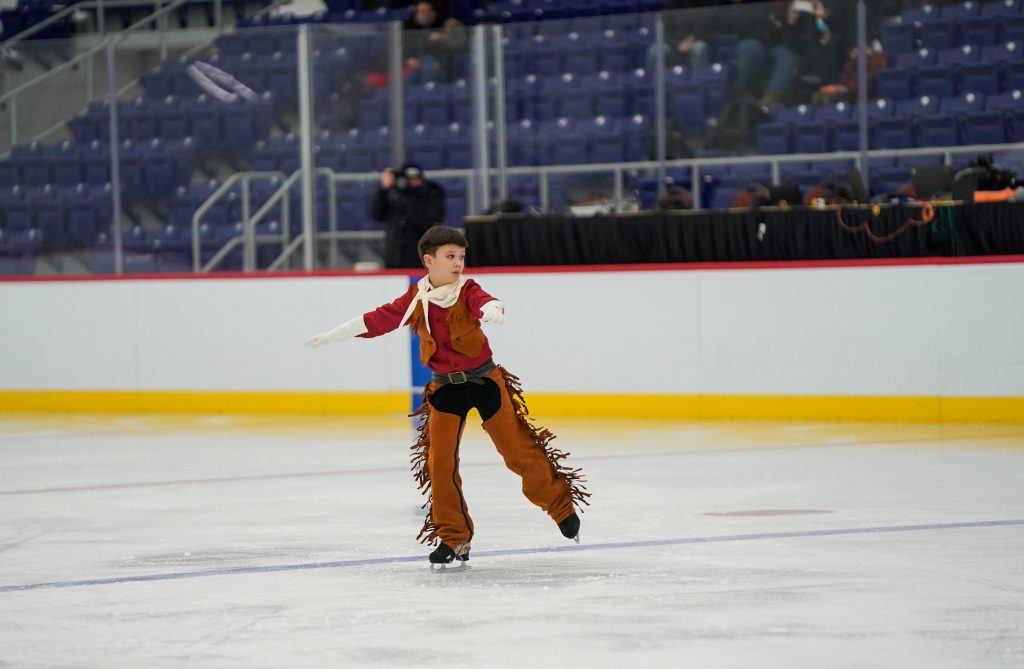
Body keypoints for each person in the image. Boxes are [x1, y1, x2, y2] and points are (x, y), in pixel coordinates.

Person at [305, 225, 589, 566]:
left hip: (485, 382)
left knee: (517, 450)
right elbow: (380, 319)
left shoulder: (467, 289)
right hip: (444, 389)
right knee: (439, 465)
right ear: (429, 261)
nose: (458, 264)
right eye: (450, 257)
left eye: (462, 257)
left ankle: (560, 507)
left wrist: (493, 309)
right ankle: (454, 539)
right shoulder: (416, 298)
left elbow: (484, 301)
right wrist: (336, 334)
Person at [369, 161, 446, 269]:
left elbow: (429, 221)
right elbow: (376, 215)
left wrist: (408, 199)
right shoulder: (395, 196)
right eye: (409, 180)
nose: (413, 183)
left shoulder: (430, 195)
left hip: (421, 261)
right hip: (394, 260)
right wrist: (383, 190)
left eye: (416, 179)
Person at [402, 0, 467, 85]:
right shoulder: (410, 31)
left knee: (428, 75)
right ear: (415, 15)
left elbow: (462, 45)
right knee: (412, 76)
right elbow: (403, 52)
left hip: (447, 68)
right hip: (422, 67)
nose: (425, 14)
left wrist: (444, 38)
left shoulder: (448, 25)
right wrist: (409, 60)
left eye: (428, 11)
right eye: (421, 12)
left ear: (434, 13)